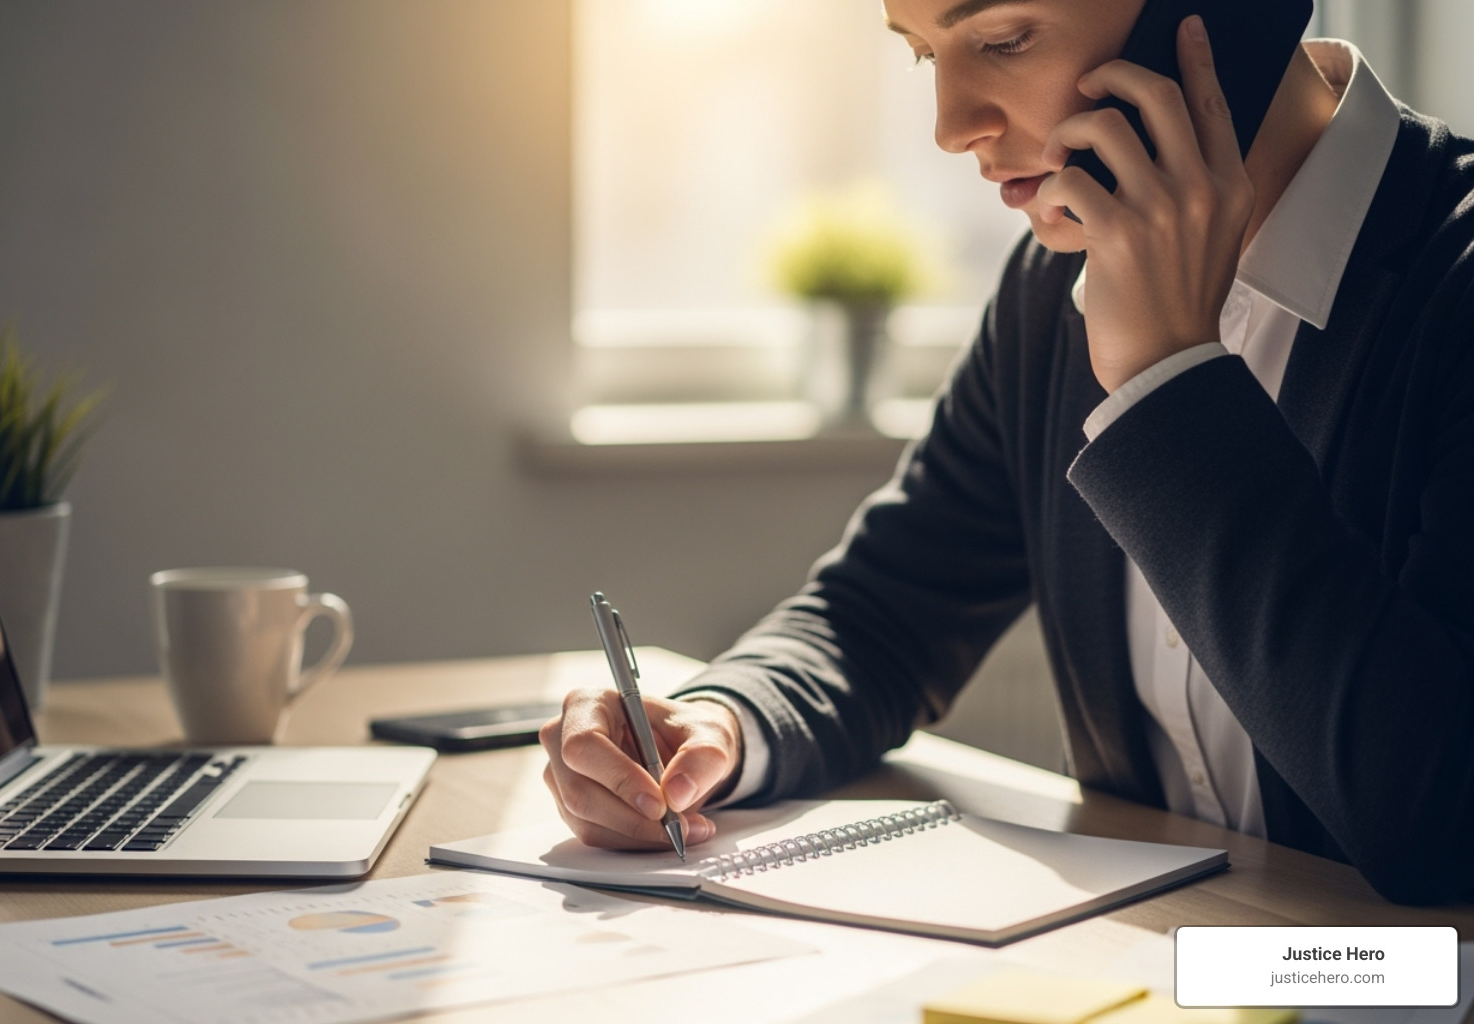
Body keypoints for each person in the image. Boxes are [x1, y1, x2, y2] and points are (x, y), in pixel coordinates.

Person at [540, 0, 1474, 905]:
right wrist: (720, 722)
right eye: (922, 53)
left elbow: (1440, 824)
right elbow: (879, 615)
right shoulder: (1051, 289)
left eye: (1005, 38)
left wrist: (1168, 375)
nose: (949, 126)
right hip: (1164, 972)